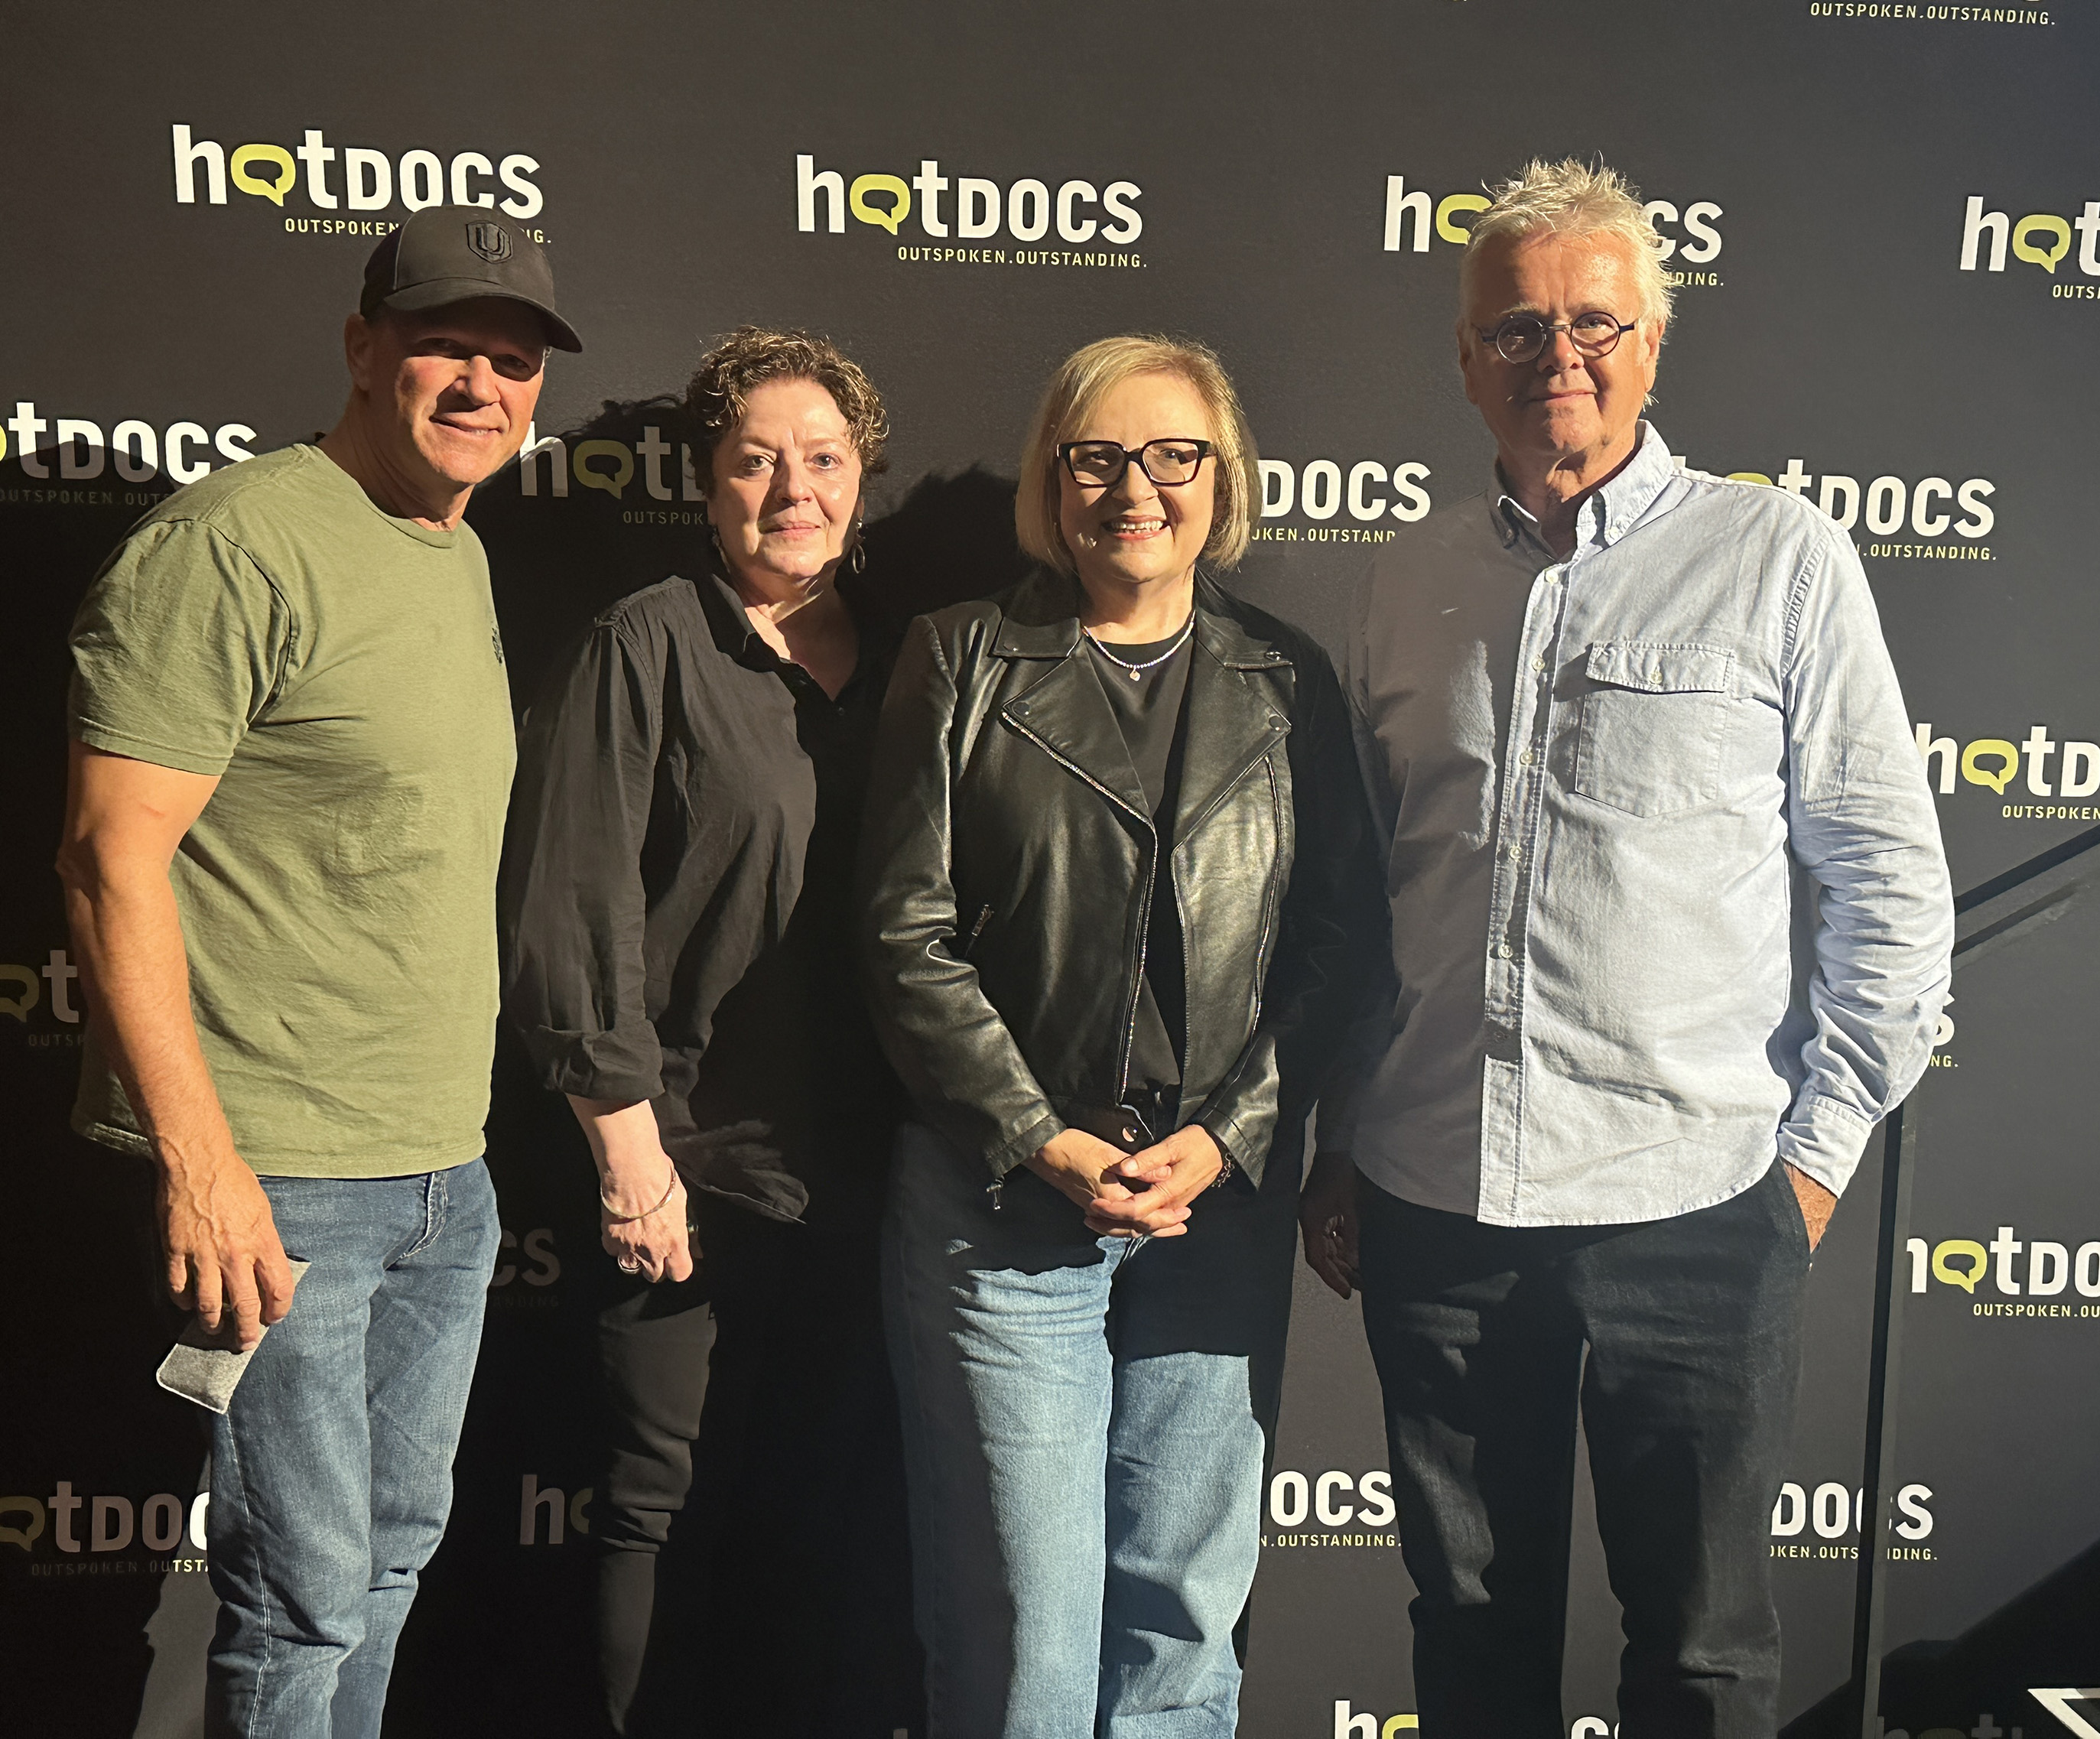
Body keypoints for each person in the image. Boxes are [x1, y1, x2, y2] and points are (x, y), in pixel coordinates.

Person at [1305, 159, 1955, 1737]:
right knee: (1468, 1633)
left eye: (1592, 323)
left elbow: (1886, 884)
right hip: (1436, 1197)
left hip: (1695, 1201)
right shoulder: (1407, 579)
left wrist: (1807, 1159)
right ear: (1464, 360)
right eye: (1515, 329)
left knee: (1705, 1651)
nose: (1558, 359)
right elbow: (1358, 898)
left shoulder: (1776, 557)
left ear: (1654, 345)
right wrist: (1336, 1139)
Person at [55, 207, 579, 1736]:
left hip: (440, 1172)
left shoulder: (454, 549)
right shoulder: (229, 544)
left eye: (512, 358)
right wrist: (202, 1168)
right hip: (280, 1176)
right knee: (300, 1589)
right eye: (444, 347)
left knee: (390, 1560)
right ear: (361, 348)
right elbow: (107, 860)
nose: (482, 385)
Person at [860, 333, 1386, 1737]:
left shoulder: (1289, 680)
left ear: (1223, 480)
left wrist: (1232, 1138)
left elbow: (1342, 945)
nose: (1135, 488)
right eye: (1097, 456)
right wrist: (1036, 1133)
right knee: (1025, 1635)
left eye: (1174, 456)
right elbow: (904, 932)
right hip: (1005, 1204)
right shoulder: (961, 658)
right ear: (1053, 479)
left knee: (1181, 1619)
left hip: (1214, 1211)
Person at [499, 328, 911, 1734]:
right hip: (688, 1175)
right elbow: (570, 910)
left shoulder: (923, 657)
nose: (793, 487)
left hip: (877, 1184)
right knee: (668, 1507)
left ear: (863, 479)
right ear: (706, 483)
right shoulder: (646, 646)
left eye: (824, 458)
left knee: (844, 1518)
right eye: (756, 461)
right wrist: (627, 1152)